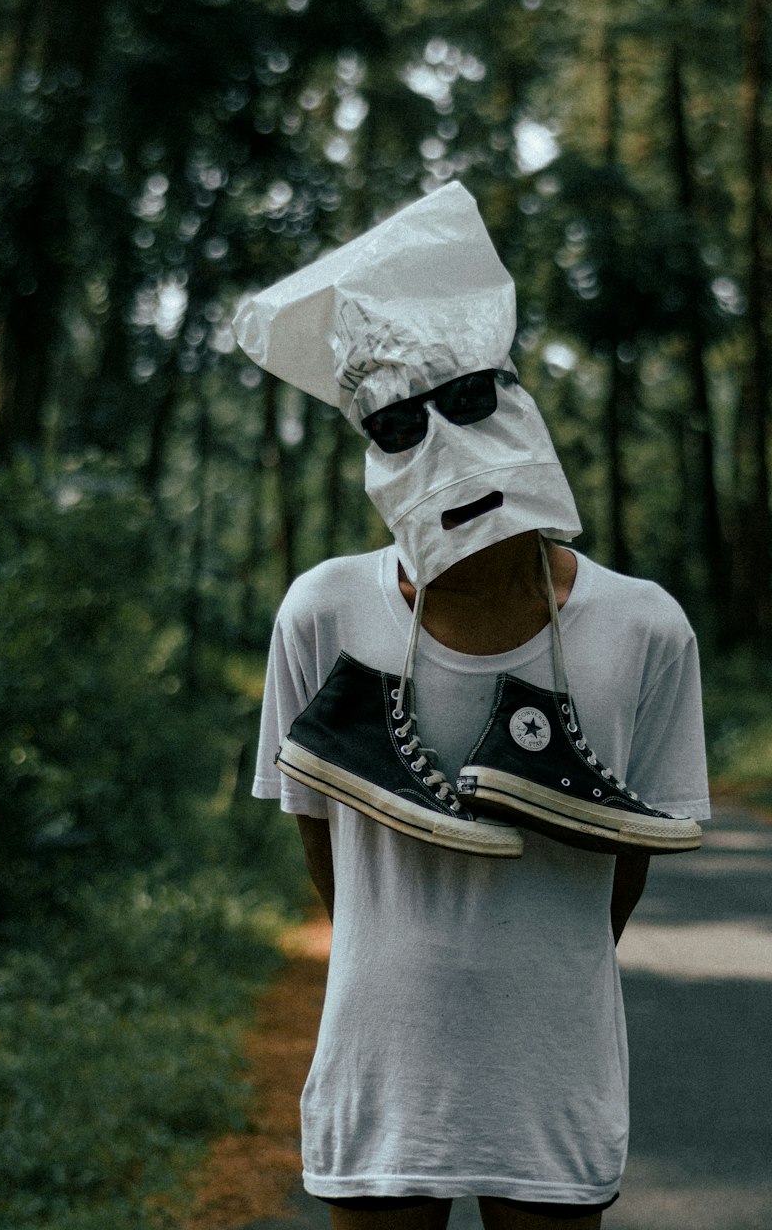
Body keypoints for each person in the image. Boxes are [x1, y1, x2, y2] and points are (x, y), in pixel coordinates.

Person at [238, 183, 709, 1230]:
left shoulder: (643, 630)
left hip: (554, 1071)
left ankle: (538, 737)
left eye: (466, 405)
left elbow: (622, 858)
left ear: (516, 400)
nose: (443, 449)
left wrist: (540, 962)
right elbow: (323, 845)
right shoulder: (323, 613)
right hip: (379, 1068)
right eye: (400, 424)